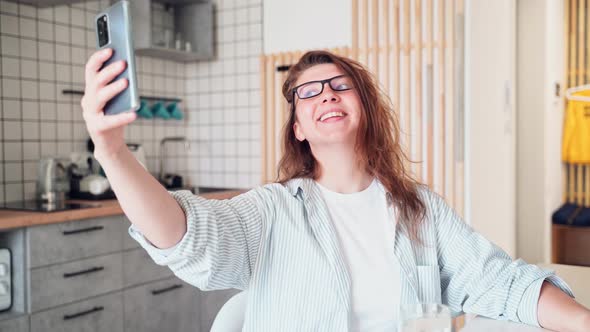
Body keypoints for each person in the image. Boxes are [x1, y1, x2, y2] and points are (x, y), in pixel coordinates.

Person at [82, 48, 590, 331]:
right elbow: (186, 234)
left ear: (363, 106)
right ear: (299, 127)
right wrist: (113, 152)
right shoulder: (272, 210)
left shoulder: (421, 210)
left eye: (340, 85)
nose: (326, 92)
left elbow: (500, 282)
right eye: (308, 92)